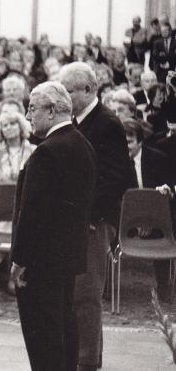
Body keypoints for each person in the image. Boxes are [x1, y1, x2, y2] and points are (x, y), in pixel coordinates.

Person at [11, 81, 97, 371]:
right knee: (63, 327)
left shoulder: (48, 152)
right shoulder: (82, 144)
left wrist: (20, 260)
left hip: (41, 260)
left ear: (51, 110)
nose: (27, 116)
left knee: (43, 337)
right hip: (67, 256)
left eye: (32, 108)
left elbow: (32, 213)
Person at [58, 62, 135, 371]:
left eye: (68, 90)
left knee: (86, 295)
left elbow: (119, 178)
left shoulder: (106, 123)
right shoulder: (77, 122)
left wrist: (89, 216)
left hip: (94, 222)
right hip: (79, 221)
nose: (63, 96)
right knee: (75, 294)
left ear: (88, 90)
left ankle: (87, 362)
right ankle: (81, 357)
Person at [122, 118, 174, 302]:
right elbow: (120, 197)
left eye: (129, 142)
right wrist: (136, 223)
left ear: (140, 141)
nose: (125, 146)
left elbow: (169, 187)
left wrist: (150, 219)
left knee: (163, 229)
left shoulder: (158, 159)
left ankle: (163, 286)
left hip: (157, 219)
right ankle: (106, 289)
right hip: (128, 220)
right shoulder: (117, 162)